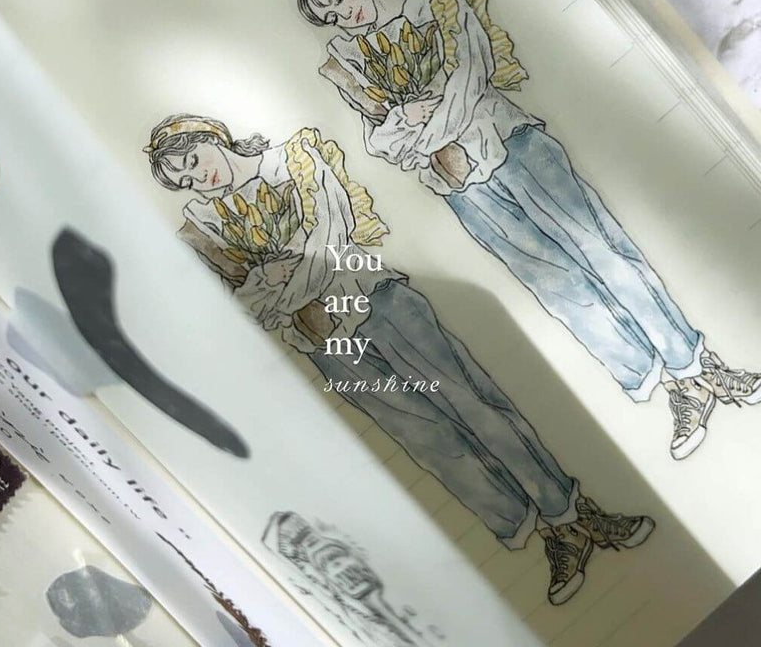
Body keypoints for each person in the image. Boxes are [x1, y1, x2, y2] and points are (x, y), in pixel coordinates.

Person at [144, 113, 655, 606]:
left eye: (194, 158)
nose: (197, 177)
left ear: (213, 137)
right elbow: (244, 305)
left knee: (475, 405)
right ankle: (550, 536)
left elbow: (331, 235)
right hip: (326, 343)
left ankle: (572, 512)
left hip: (377, 298)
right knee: (430, 440)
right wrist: (280, 288)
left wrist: (282, 284)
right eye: (182, 178)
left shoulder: (293, 159)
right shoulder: (199, 230)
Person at [292, 0, 761, 460]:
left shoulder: (436, 0)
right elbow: (379, 140)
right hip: (459, 185)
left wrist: (423, 128)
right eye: (328, 14)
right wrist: (417, 128)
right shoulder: (344, 62)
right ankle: (676, 390)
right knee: (561, 288)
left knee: (602, 251)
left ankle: (698, 366)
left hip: (512, 142)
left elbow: (472, 76)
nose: (342, 14)